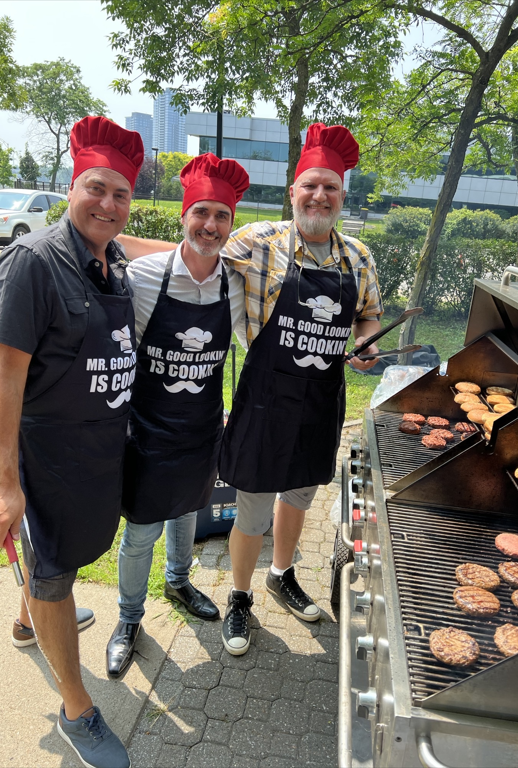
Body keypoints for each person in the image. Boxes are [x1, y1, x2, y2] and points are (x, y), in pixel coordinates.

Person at [118, 123, 382, 657]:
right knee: (252, 509)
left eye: (330, 186)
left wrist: (368, 344)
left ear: (342, 195)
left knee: (300, 496)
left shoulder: (358, 257)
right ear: (294, 191)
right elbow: (198, 247)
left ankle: (282, 574)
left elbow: (369, 315)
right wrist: (120, 246)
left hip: (320, 405)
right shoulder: (258, 242)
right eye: (311, 184)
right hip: (263, 406)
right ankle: (240, 595)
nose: (320, 195)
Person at [0, 116, 143, 768]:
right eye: (97, 188)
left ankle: (29, 625)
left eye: (121, 195)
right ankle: (77, 710)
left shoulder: (111, 263)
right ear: (69, 185)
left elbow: (141, 242)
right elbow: (2, 376)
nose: (108, 204)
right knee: (54, 573)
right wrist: (3, 483)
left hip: (96, 452)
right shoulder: (33, 263)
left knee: (66, 557)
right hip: (44, 456)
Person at [106, 153, 249, 678]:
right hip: (146, 430)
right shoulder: (142, 278)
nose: (210, 226)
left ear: (232, 225)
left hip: (202, 427)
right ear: (184, 216)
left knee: (188, 510)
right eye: (201, 213)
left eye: (222, 216)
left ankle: (179, 579)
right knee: (140, 530)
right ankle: (128, 618)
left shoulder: (236, 285)